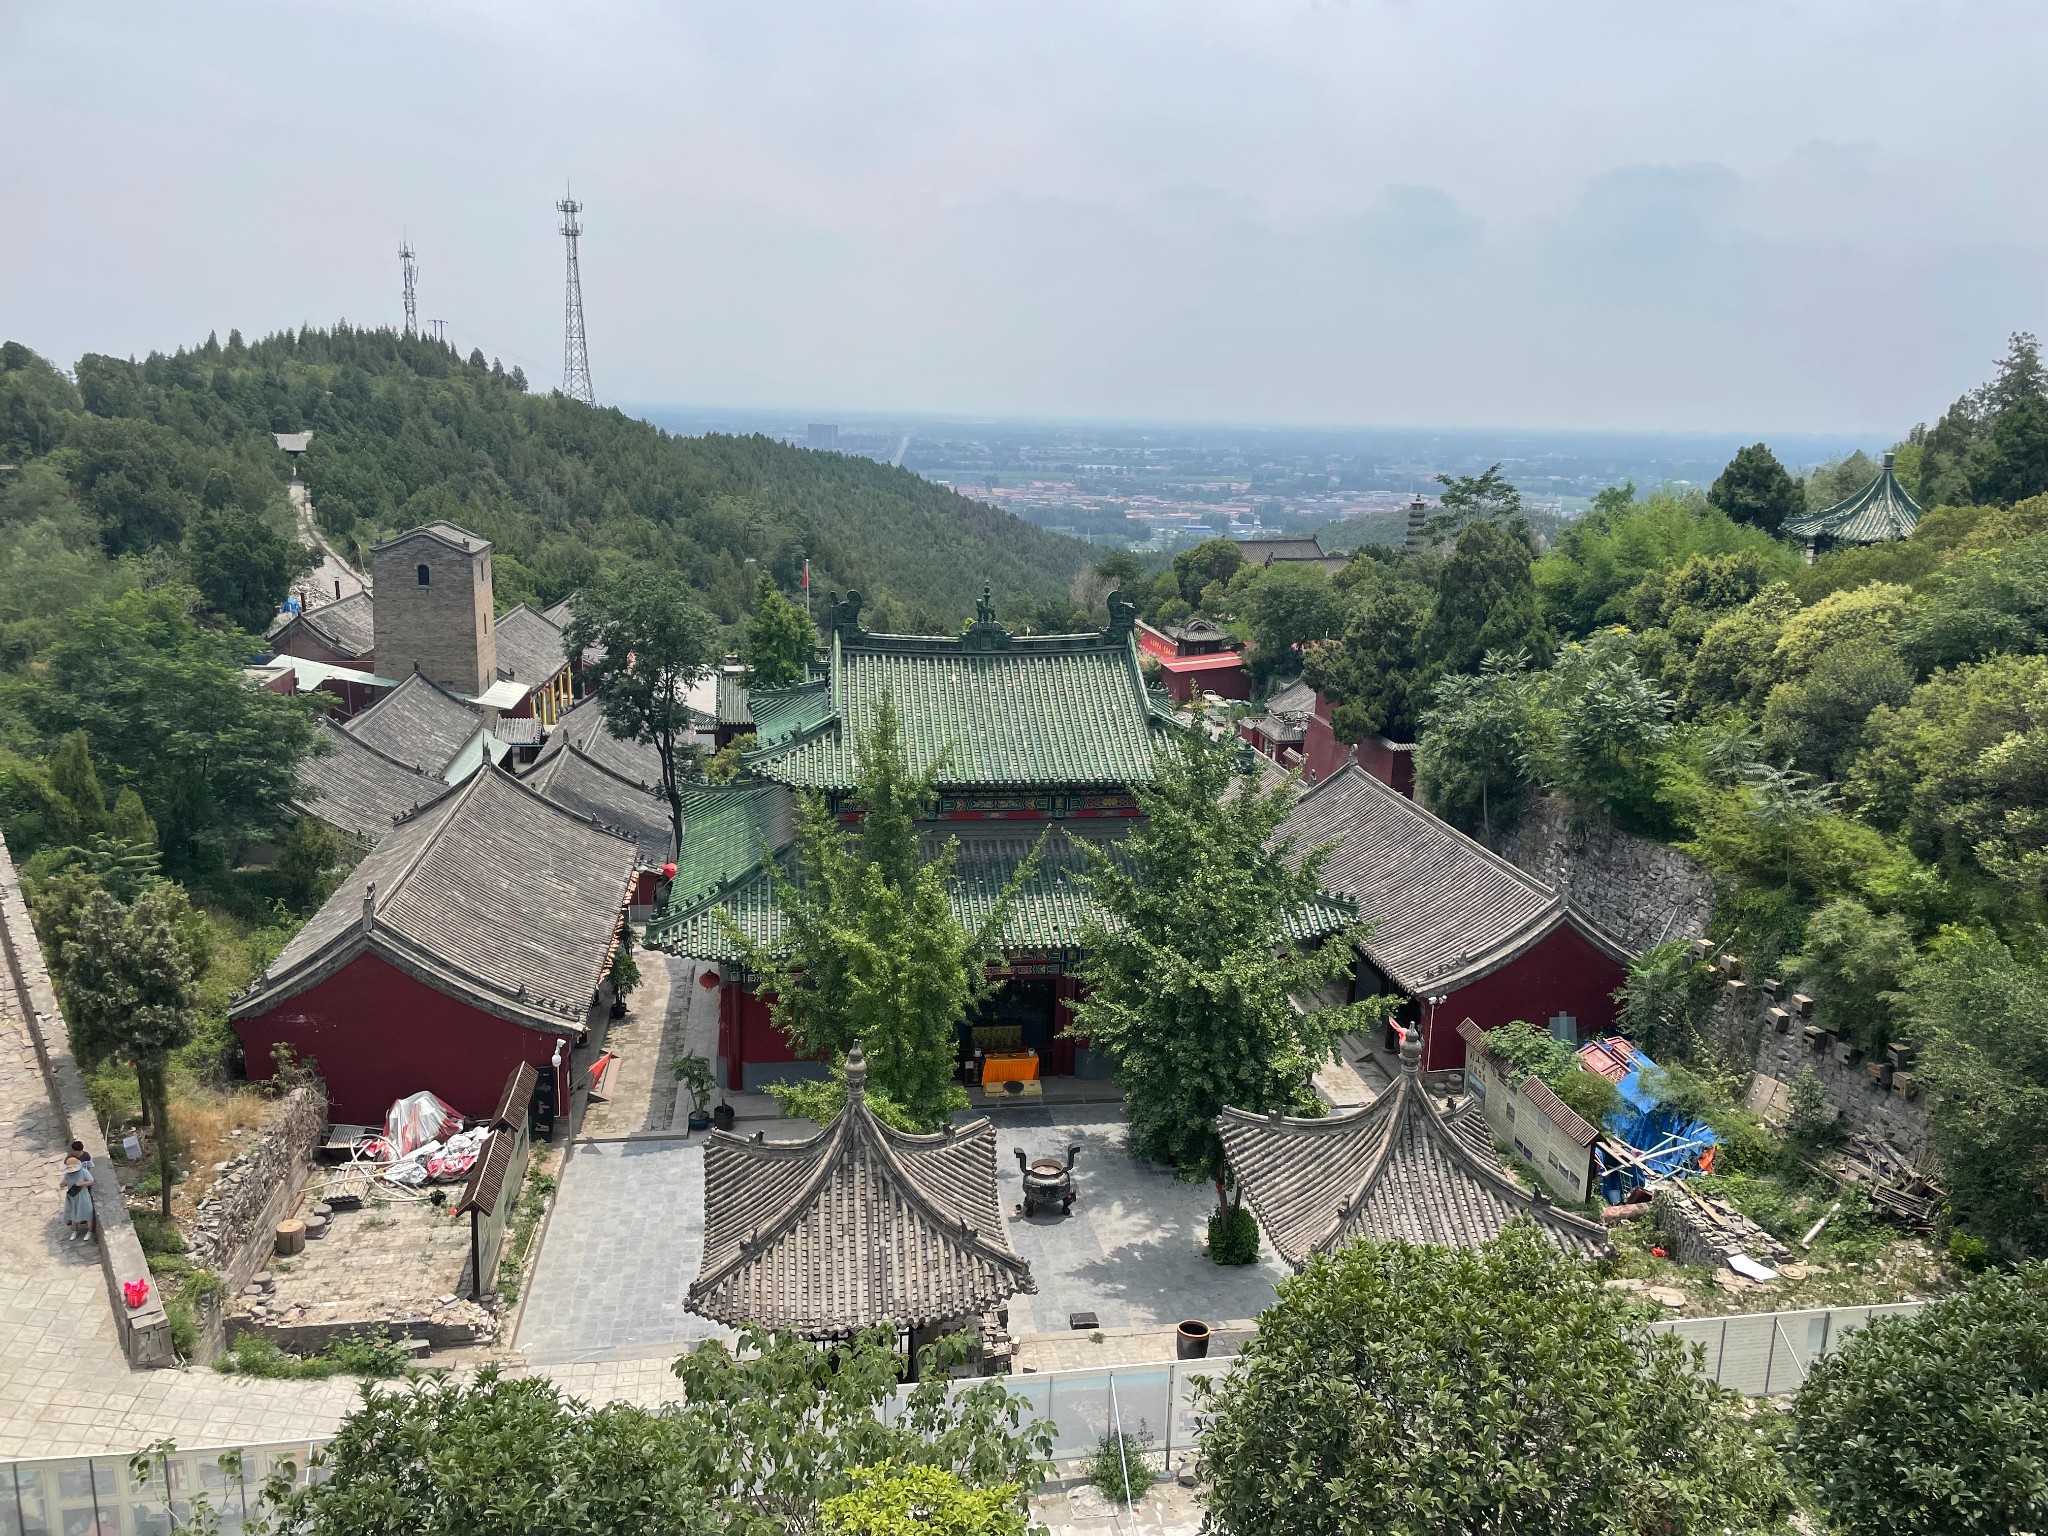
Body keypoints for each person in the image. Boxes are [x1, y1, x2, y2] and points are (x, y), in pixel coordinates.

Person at [61, 1153, 94, 1240]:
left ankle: (90, 1231)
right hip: (73, 1196)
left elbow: (91, 1181)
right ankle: (75, 1230)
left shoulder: (84, 1172)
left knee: (87, 1212)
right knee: (73, 1213)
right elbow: (62, 1184)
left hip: (83, 1195)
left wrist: (82, 1183)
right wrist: (63, 1184)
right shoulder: (68, 1174)